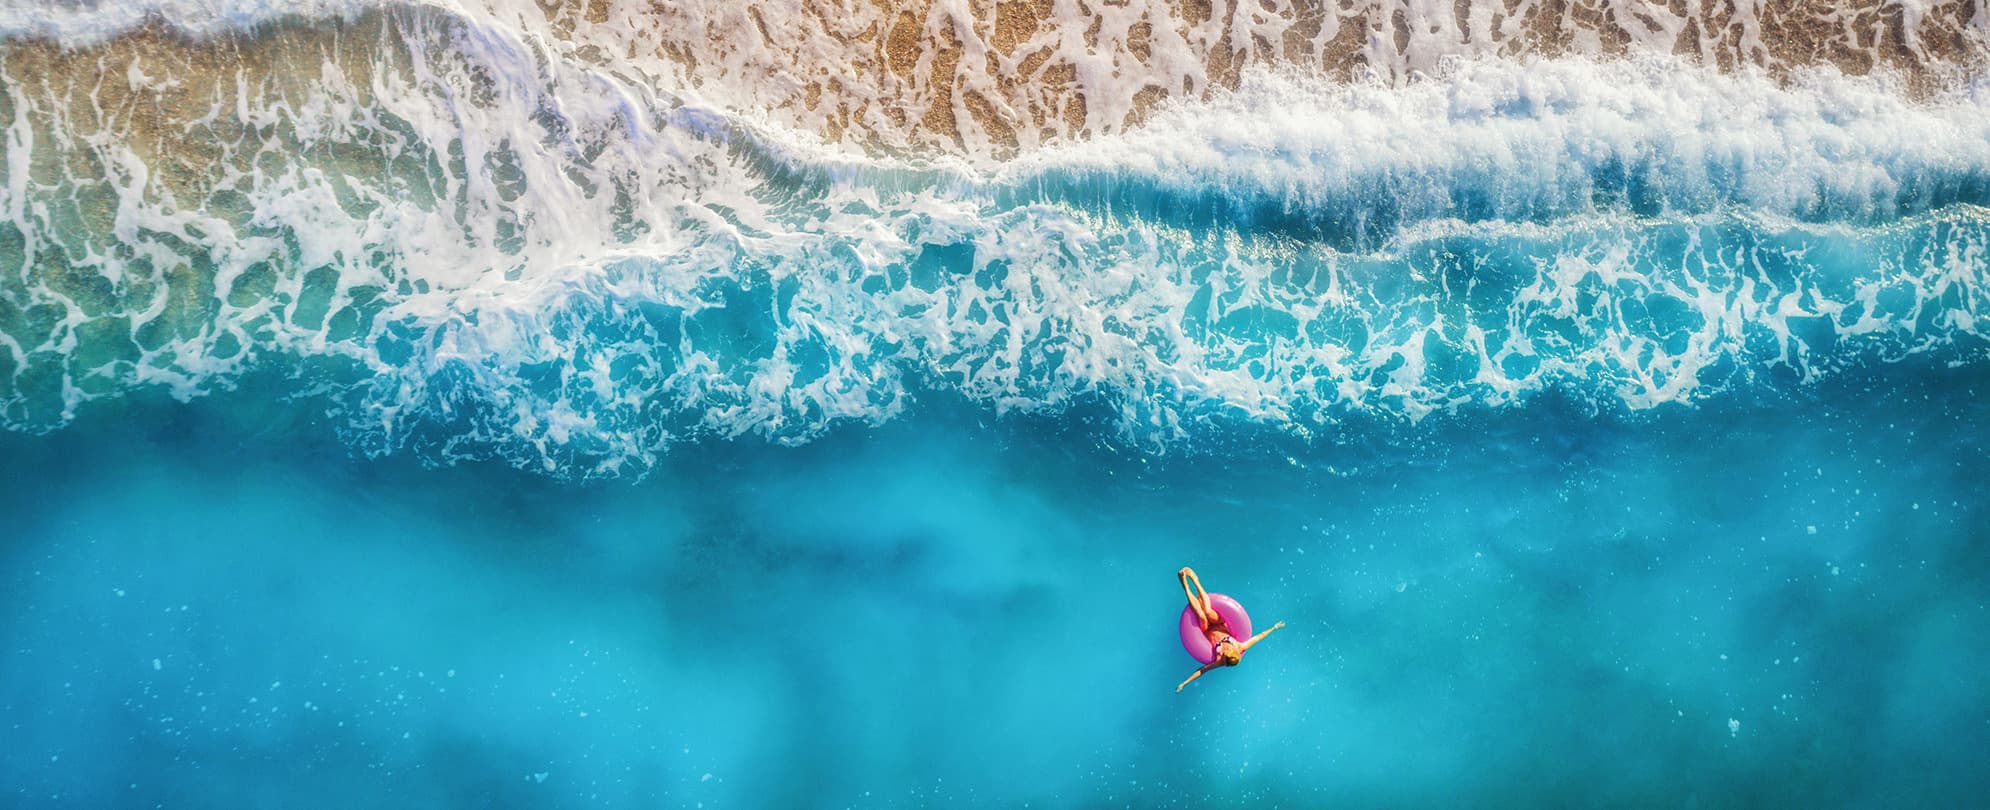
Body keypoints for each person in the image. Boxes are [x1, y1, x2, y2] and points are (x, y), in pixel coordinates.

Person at [1176, 566, 1285, 692]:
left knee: (1201, 616)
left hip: (1206, 629)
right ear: (1234, 650)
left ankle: (1185, 585)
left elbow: (1202, 670)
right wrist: (1274, 627)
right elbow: (1259, 637)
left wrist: (1184, 683)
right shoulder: (1240, 646)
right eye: (1228, 649)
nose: (1224, 650)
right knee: (1207, 610)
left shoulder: (1219, 660)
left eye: (1224, 653)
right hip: (1218, 622)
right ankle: (1195, 580)